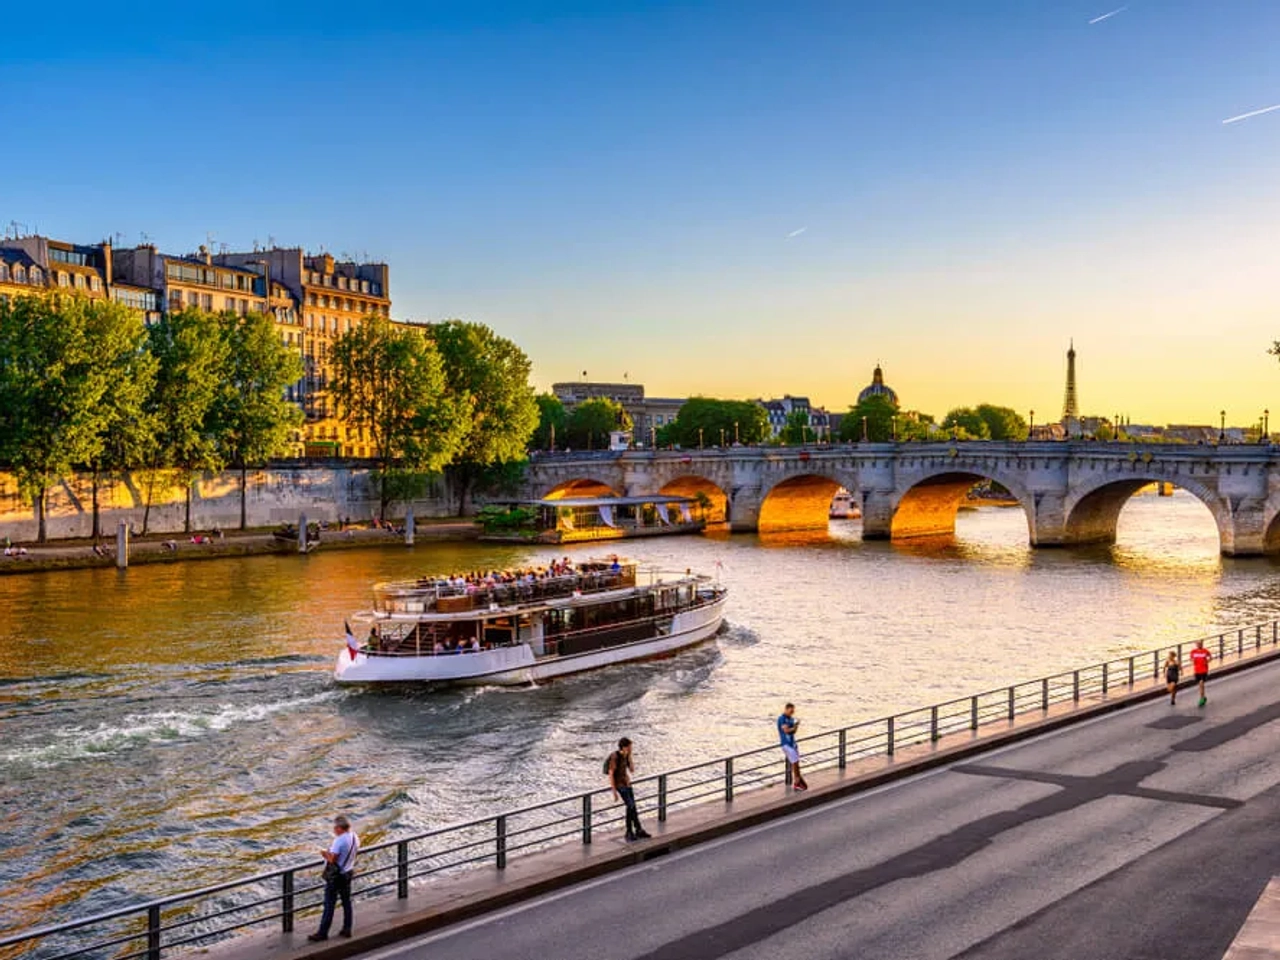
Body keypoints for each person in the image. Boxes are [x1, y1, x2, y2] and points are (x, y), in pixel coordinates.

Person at [309, 815, 358, 941]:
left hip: (337, 876)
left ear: (340, 828)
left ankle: (322, 932)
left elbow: (333, 858)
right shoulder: (354, 837)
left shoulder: (339, 840)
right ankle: (347, 928)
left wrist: (324, 853)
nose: (334, 829)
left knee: (329, 904)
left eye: (335, 827)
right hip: (348, 872)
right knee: (346, 902)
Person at [606, 737, 650, 841]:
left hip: (627, 784)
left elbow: (632, 770)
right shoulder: (615, 757)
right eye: (630, 747)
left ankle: (638, 829)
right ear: (625, 747)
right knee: (630, 806)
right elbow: (611, 774)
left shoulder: (626, 756)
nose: (631, 749)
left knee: (633, 807)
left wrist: (629, 757)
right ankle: (629, 831)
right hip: (620, 785)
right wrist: (614, 791)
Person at [777, 703, 807, 791]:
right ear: (786, 709)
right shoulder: (781, 719)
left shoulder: (791, 719)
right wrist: (794, 727)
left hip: (792, 743)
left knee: (796, 763)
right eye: (790, 711)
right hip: (786, 744)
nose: (792, 713)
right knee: (794, 763)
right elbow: (786, 730)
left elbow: (793, 731)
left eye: (793, 711)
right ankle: (797, 782)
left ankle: (798, 781)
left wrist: (795, 726)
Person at [1190, 639, 1212, 707]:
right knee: (1200, 685)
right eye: (1198, 644)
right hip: (1197, 670)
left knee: (1201, 683)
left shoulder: (1205, 651)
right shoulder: (1193, 652)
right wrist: (1192, 661)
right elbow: (1191, 658)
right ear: (1196, 644)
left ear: (1202, 644)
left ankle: (1201, 698)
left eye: (1200, 644)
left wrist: (1207, 662)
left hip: (1204, 670)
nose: (1199, 645)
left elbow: (1210, 657)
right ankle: (1203, 697)